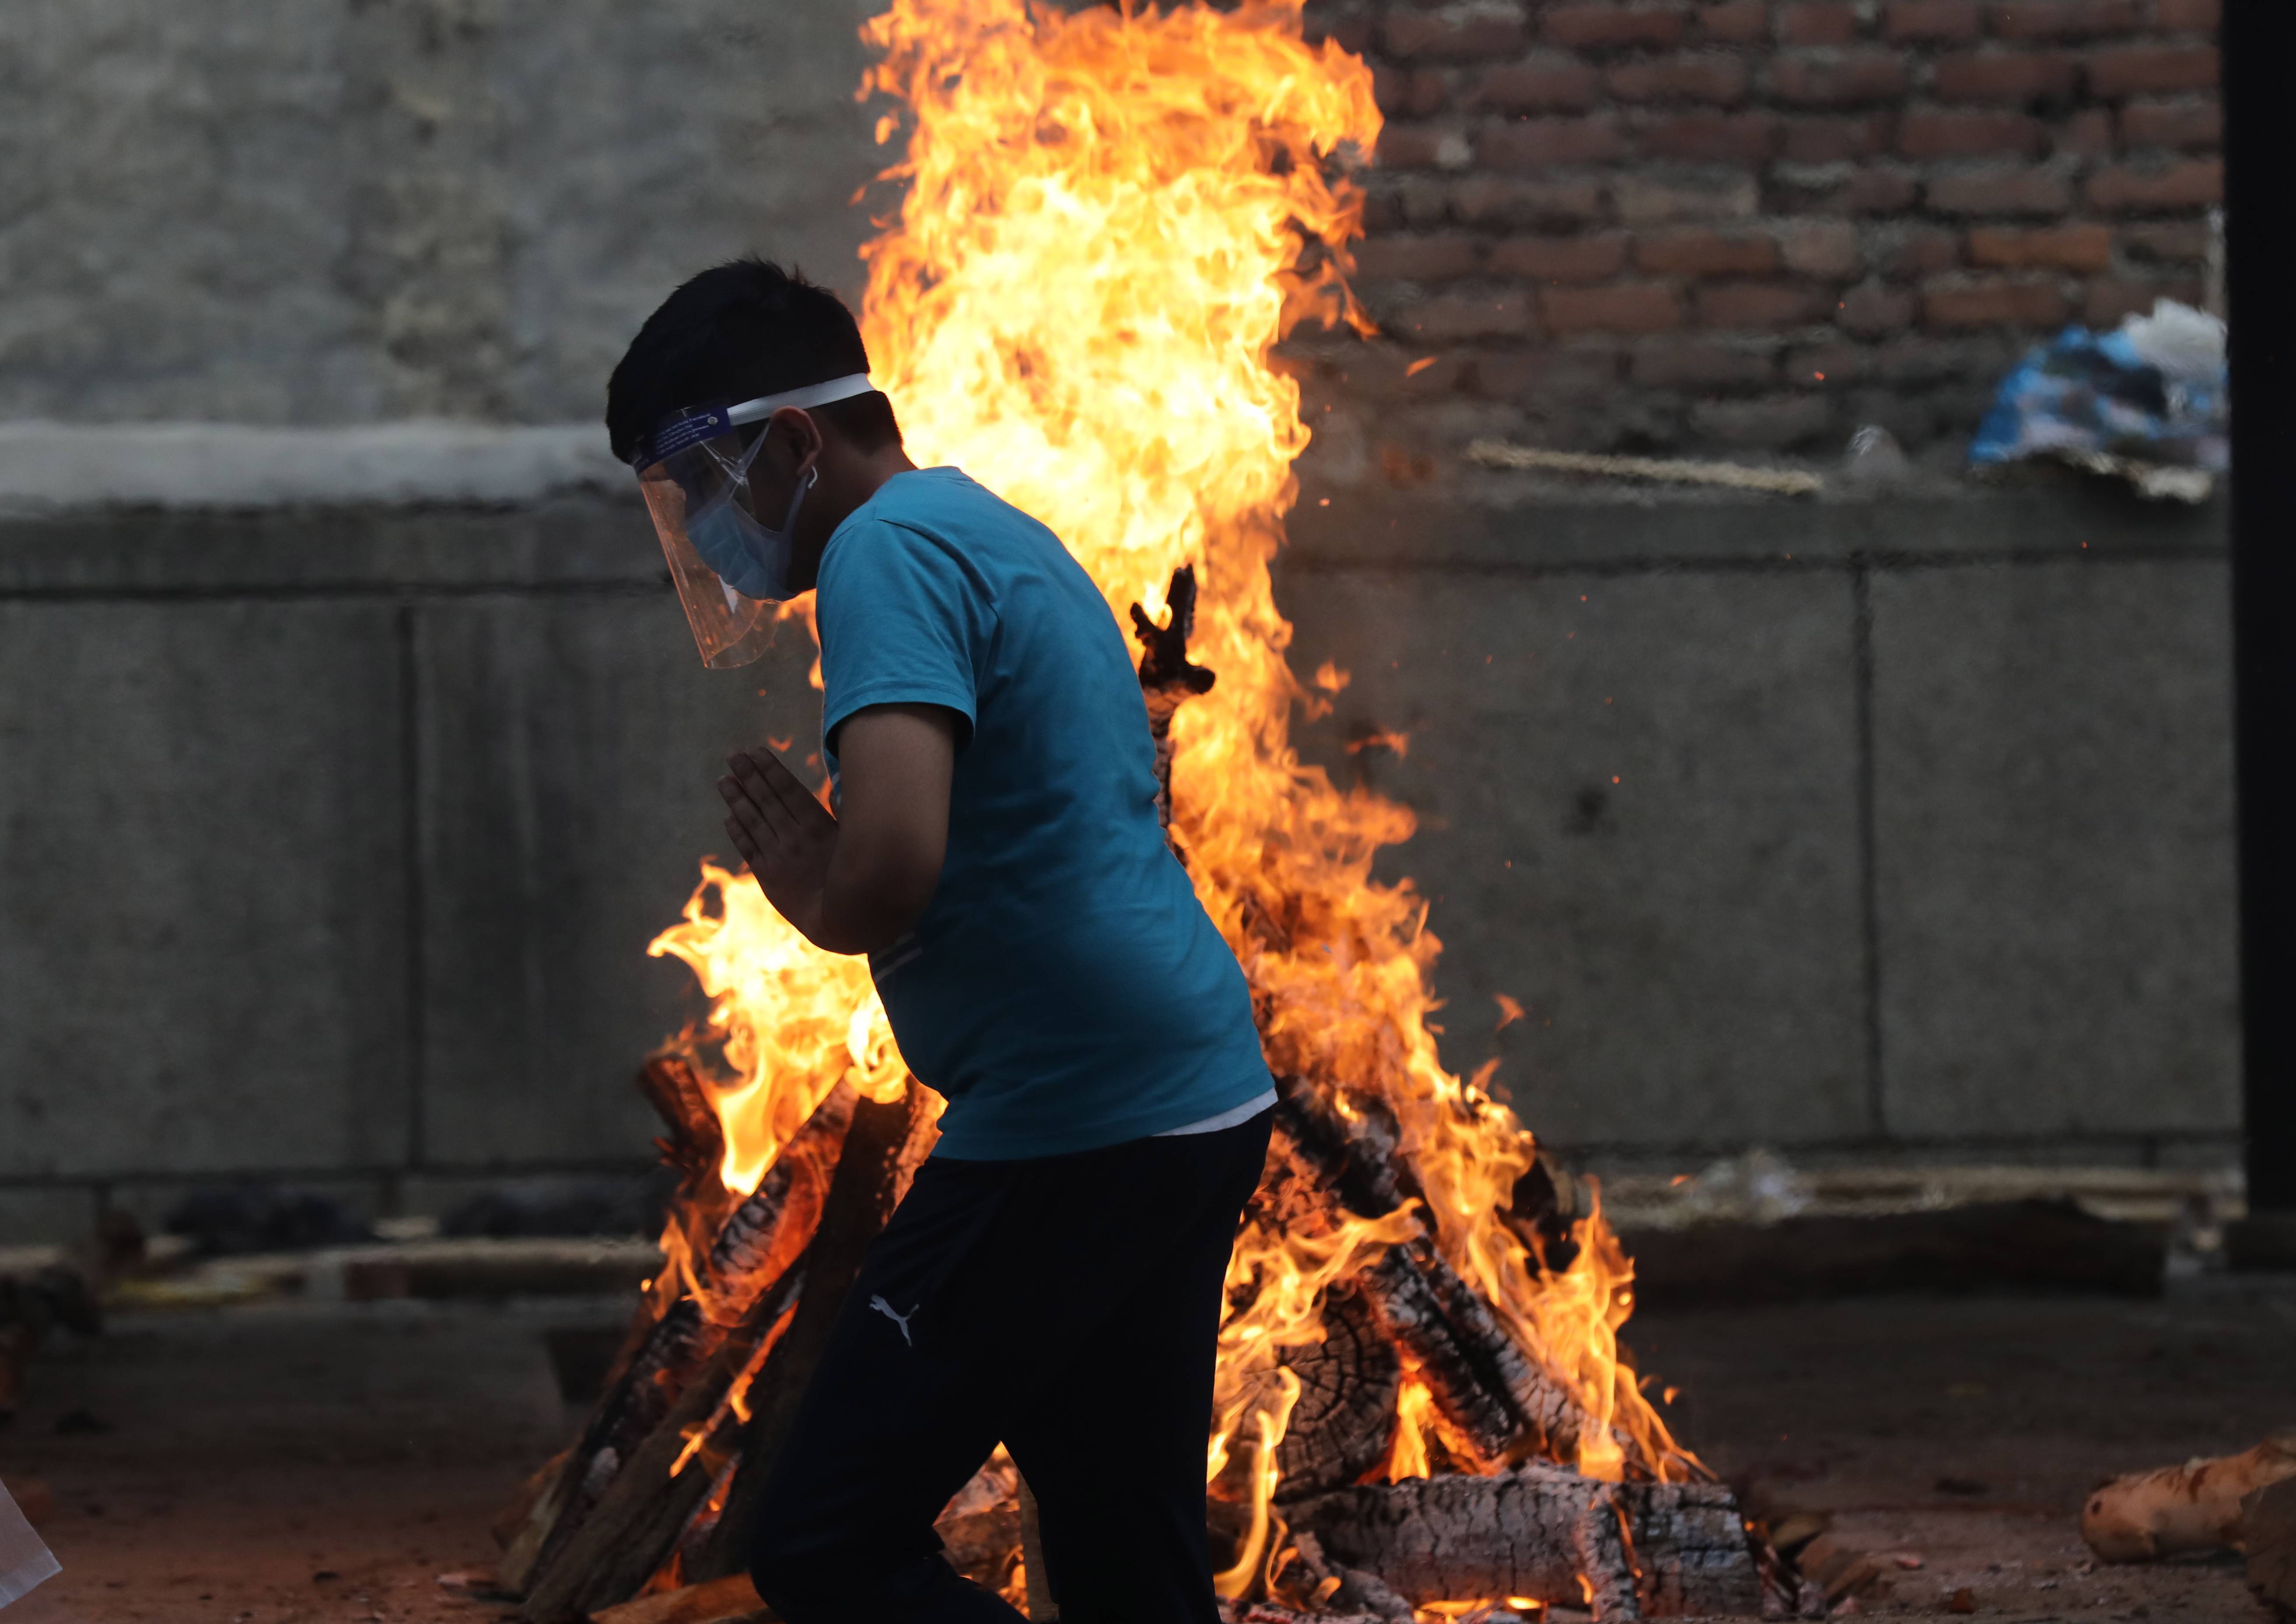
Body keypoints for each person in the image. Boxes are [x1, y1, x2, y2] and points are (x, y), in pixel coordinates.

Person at [606, 258, 1275, 1624]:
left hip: (1072, 1125)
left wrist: (816, 889)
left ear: (792, 443)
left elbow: (894, 867)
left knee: (826, 1548)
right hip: (1195, 1097)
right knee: (1122, 1547)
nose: (707, 535)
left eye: (703, 489)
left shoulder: (880, 554)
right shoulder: (977, 526)